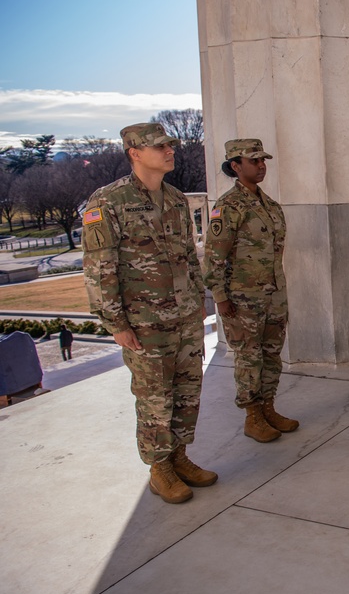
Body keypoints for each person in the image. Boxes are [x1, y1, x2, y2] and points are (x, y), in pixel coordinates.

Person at [82, 122, 216, 505]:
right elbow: (99, 267)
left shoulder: (175, 199)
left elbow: (190, 258)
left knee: (187, 391)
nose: (169, 150)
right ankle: (159, 470)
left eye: (170, 145)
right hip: (144, 322)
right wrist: (116, 324)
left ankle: (179, 457)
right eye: (159, 146)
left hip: (185, 316)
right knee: (155, 396)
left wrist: (197, 306)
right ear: (134, 153)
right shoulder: (107, 202)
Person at [203, 139, 298, 443]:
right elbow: (214, 256)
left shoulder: (269, 205)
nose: (261, 166)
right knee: (249, 357)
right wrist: (220, 297)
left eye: (262, 160)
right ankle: (252, 416)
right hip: (242, 299)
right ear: (235, 166)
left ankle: (268, 407)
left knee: (271, 354)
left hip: (273, 295)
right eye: (254, 161)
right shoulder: (228, 207)